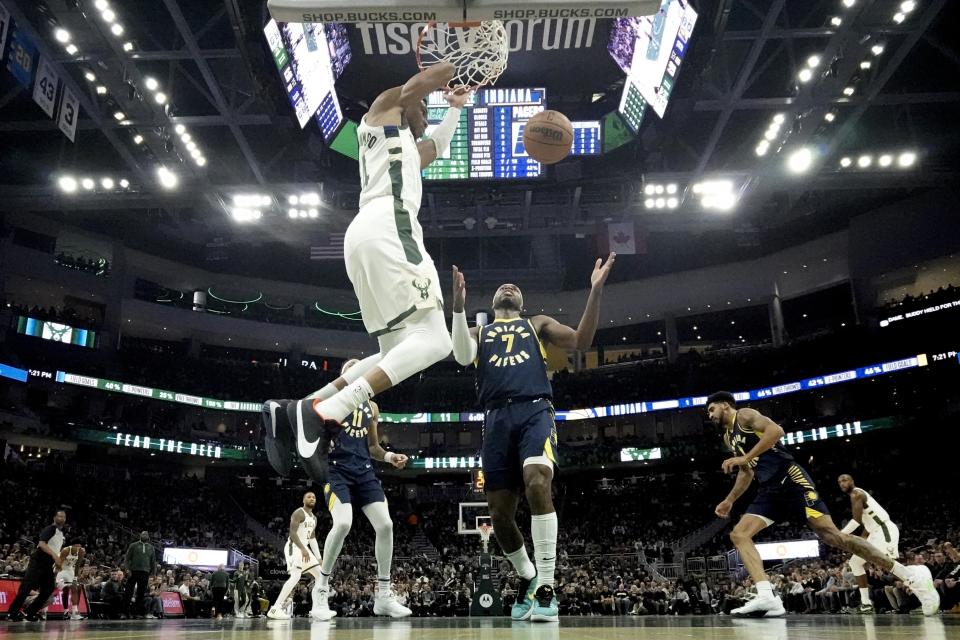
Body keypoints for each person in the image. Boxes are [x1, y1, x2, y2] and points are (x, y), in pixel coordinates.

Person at [263, 61, 471, 480]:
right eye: (425, 108)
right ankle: (327, 413)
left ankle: (296, 409)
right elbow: (416, 85)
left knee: (394, 350)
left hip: (367, 236)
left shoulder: (407, 150)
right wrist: (462, 58)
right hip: (389, 228)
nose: (426, 113)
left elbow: (439, 145)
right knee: (437, 340)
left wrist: (456, 108)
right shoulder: (380, 111)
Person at [450, 254, 616, 622]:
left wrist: (595, 291)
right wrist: (458, 310)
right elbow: (462, 356)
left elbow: (581, 341)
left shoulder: (536, 324)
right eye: (502, 287)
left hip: (534, 411)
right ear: (493, 303)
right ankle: (528, 577)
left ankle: (546, 587)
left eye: (515, 288)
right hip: (494, 419)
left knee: (538, 481)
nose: (509, 287)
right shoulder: (478, 333)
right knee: (499, 514)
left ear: (521, 303)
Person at [706, 391, 940, 616]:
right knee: (739, 535)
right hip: (770, 490)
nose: (710, 415)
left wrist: (744, 457)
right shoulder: (729, 437)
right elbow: (746, 472)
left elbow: (776, 431)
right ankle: (768, 596)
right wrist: (729, 499)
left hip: (791, 479)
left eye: (712, 409)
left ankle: (910, 575)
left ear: (725, 405)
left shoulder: (745, 415)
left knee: (833, 536)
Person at [313, 359, 412, 620]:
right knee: (343, 523)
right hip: (336, 471)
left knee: (386, 525)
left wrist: (391, 457)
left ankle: (383, 595)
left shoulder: (372, 407)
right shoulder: (331, 405)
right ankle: (321, 589)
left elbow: (373, 448)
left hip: (364, 471)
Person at [837, 474, 902, 613]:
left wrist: (839, 535)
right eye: (840, 482)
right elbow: (867, 524)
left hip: (885, 530)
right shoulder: (856, 496)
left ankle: (922, 591)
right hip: (875, 533)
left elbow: (856, 521)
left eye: (845, 480)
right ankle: (866, 603)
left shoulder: (856, 494)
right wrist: (862, 541)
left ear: (852, 481)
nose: (842, 483)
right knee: (855, 562)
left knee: (892, 565)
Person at [267, 492, 324, 620]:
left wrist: (319, 558)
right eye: (309, 497)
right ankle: (275, 608)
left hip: (305, 548)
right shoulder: (298, 513)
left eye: (314, 497)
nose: (312, 498)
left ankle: (318, 609)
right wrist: (303, 549)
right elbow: (292, 533)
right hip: (294, 547)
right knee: (296, 576)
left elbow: (313, 538)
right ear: (304, 500)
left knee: (321, 576)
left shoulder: (314, 518)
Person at [6, 510, 66, 621]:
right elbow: (42, 544)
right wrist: (55, 556)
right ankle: (12, 613)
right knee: (26, 587)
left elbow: (55, 548)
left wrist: (57, 561)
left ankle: (30, 613)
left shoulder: (60, 534)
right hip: (38, 561)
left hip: (48, 564)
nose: (62, 518)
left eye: (64, 517)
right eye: (59, 516)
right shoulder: (50, 529)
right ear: (54, 518)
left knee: (48, 589)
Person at [123, 531, 156, 618]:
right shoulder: (133, 545)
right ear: (140, 535)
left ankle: (136, 613)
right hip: (133, 571)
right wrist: (127, 569)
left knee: (141, 594)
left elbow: (153, 561)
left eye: (146, 534)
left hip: (145, 572)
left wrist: (153, 573)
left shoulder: (151, 547)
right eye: (143, 534)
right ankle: (125, 613)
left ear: (148, 537)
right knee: (128, 592)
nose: (144, 535)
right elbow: (127, 559)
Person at [55, 541, 86, 620]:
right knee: (57, 588)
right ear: (72, 545)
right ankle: (44, 611)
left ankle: (74, 613)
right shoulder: (65, 550)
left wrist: (75, 578)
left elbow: (77, 565)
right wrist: (55, 576)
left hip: (69, 570)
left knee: (75, 587)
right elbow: (58, 564)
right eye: (76, 546)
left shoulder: (81, 551)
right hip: (60, 568)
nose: (78, 548)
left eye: (79, 546)